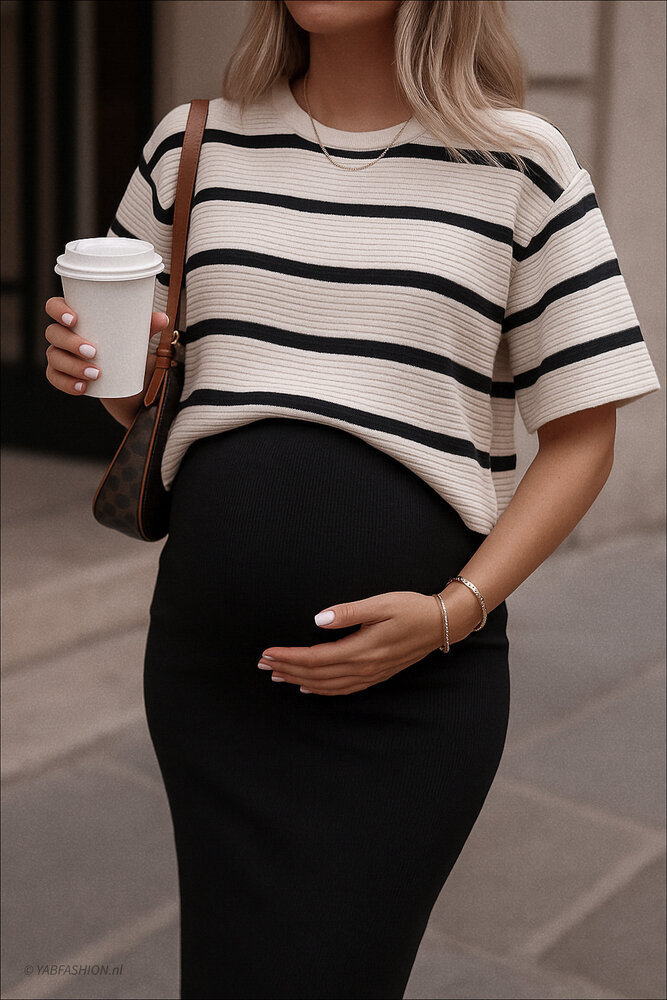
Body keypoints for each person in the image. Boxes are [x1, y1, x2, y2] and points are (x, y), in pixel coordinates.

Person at [44, 2, 661, 997]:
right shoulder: (190, 145)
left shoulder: (519, 165)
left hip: (409, 698)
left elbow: (584, 432)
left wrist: (452, 613)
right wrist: (94, 364)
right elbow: (149, 400)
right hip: (215, 681)